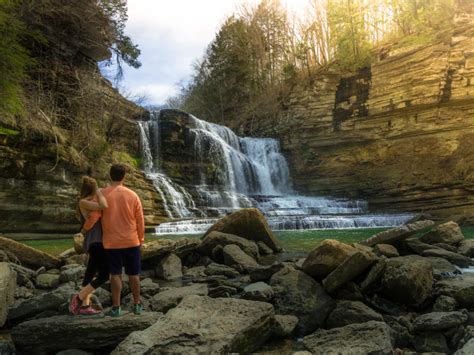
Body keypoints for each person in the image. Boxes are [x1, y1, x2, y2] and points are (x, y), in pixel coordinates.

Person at [88, 164, 145, 317]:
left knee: (115, 274)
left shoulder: (102, 195)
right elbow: (140, 220)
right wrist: (141, 238)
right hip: (132, 241)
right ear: (124, 177)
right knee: (134, 274)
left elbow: (94, 217)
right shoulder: (133, 195)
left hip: (111, 243)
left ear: (109, 175)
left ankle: (116, 307)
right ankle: (137, 304)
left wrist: (84, 230)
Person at [69, 176, 109, 316]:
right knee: (104, 275)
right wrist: (99, 192)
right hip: (95, 240)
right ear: (93, 188)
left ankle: (85, 306)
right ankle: (78, 298)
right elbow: (102, 208)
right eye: (96, 187)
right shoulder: (84, 202)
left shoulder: (90, 201)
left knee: (90, 272)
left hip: (97, 240)